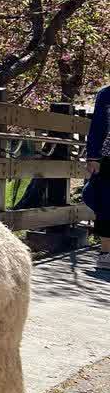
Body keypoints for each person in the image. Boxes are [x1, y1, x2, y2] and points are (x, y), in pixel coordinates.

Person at [87, 83, 110, 270]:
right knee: (105, 203)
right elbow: (97, 127)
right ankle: (105, 253)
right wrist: (93, 157)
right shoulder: (106, 95)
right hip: (108, 158)